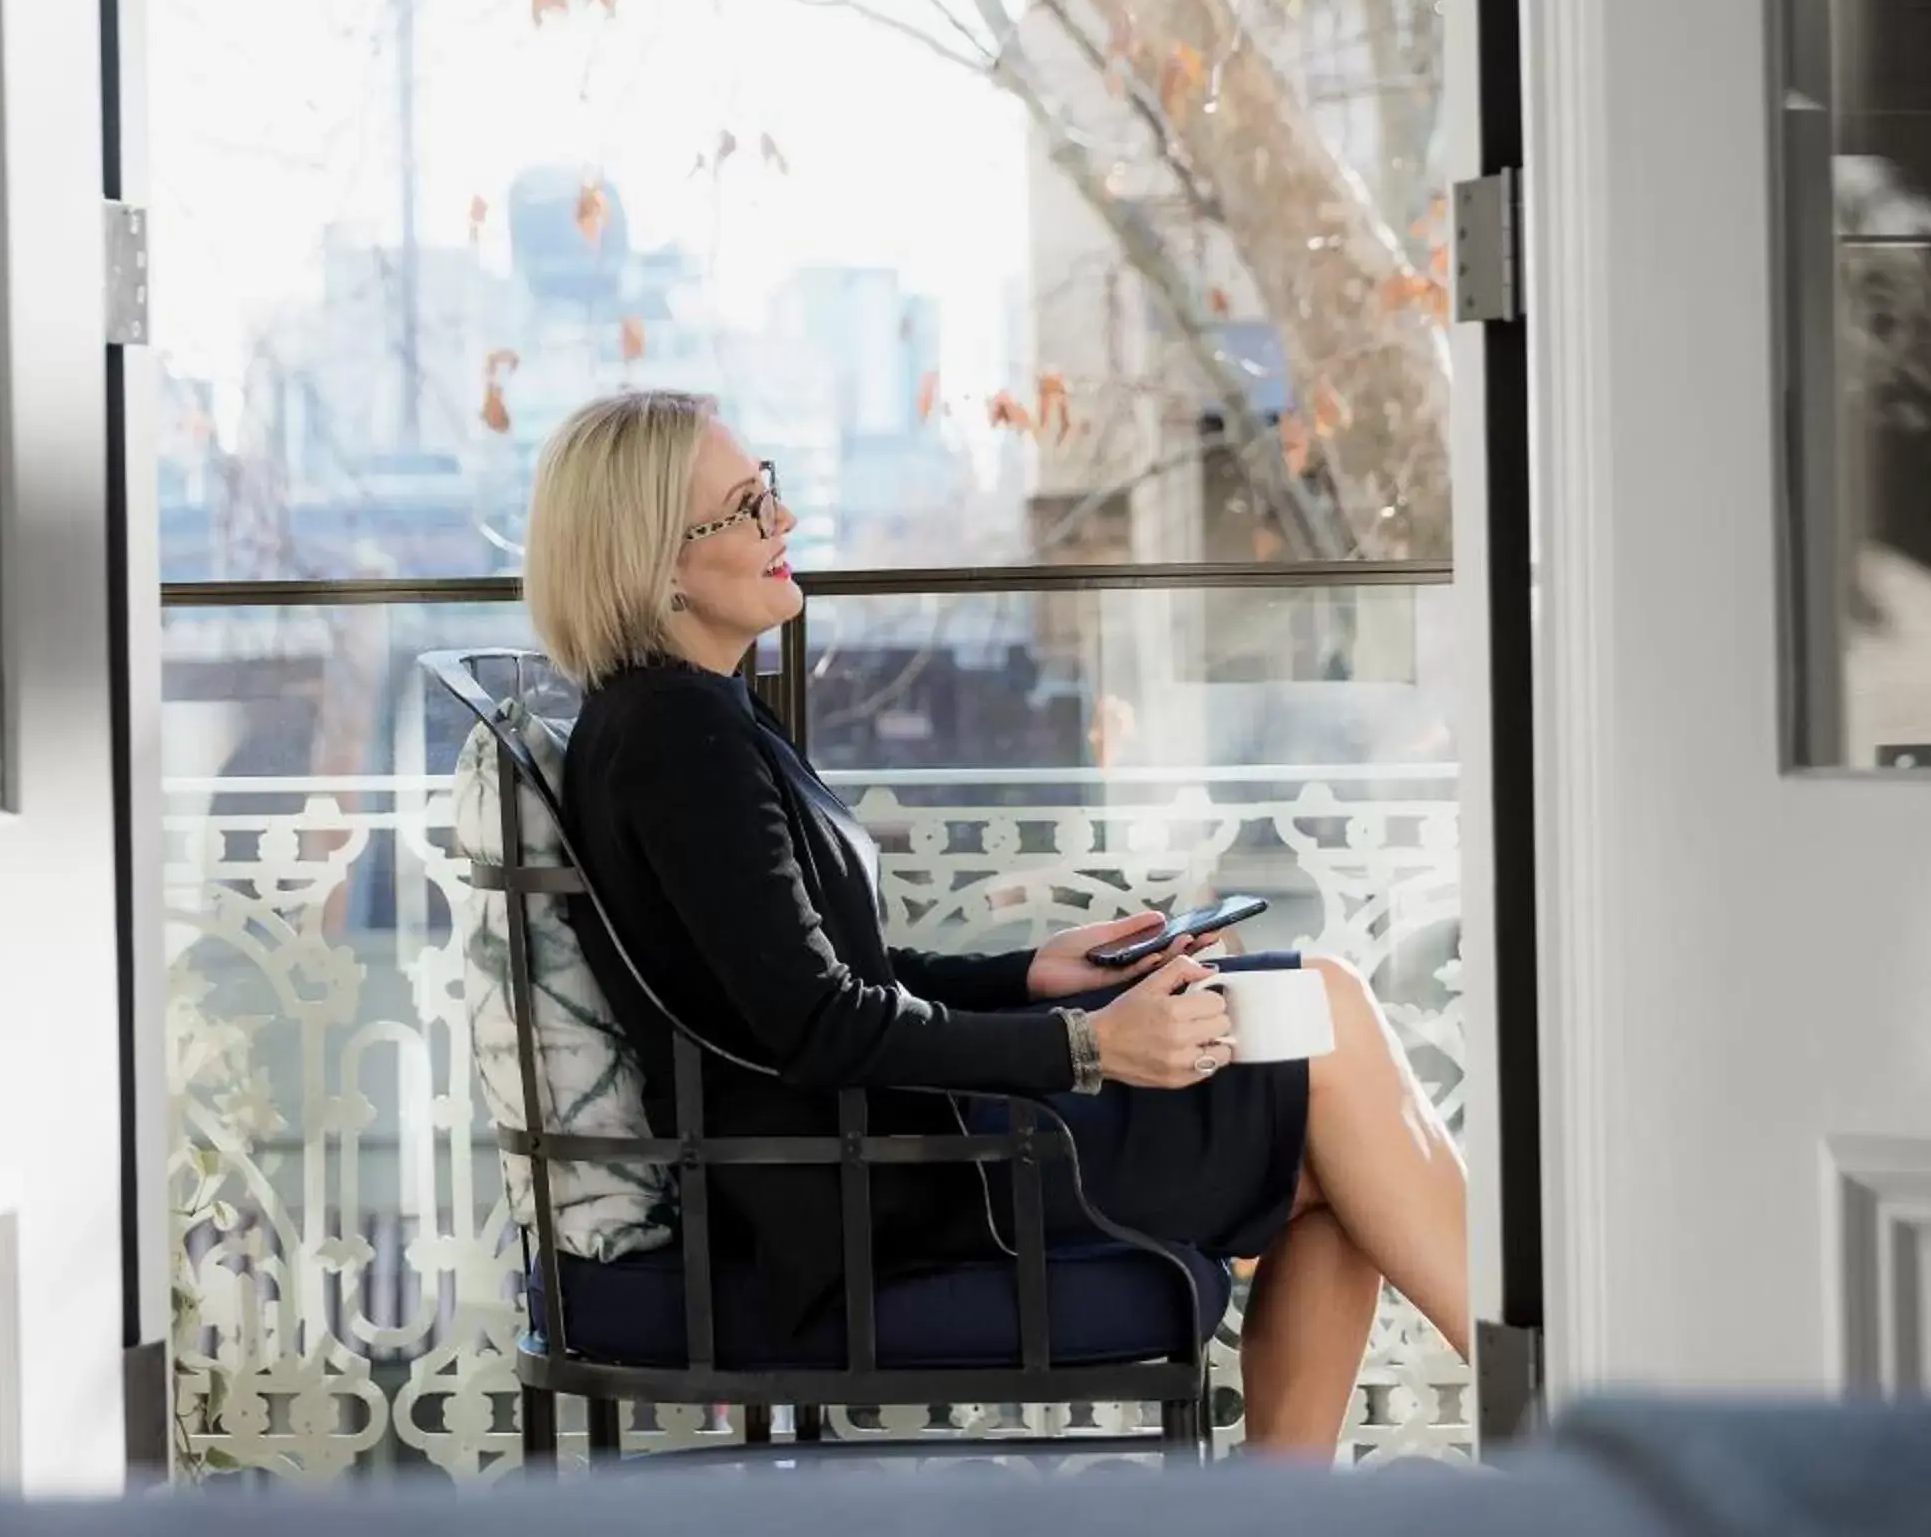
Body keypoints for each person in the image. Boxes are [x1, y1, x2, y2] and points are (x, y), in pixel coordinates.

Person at [521, 389, 1471, 1456]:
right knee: (1327, 1020)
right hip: (883, 1180)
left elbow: (833, 973)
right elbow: (821, 1023)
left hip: (883, 1144)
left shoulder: (682, 715)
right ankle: (1564, 1393)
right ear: (658, 563)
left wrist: (1035, 973)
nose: (781, 522)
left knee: (1333, 1143)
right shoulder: (676, 737)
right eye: (746, 508)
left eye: (769, 489)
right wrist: (1091, 1045)